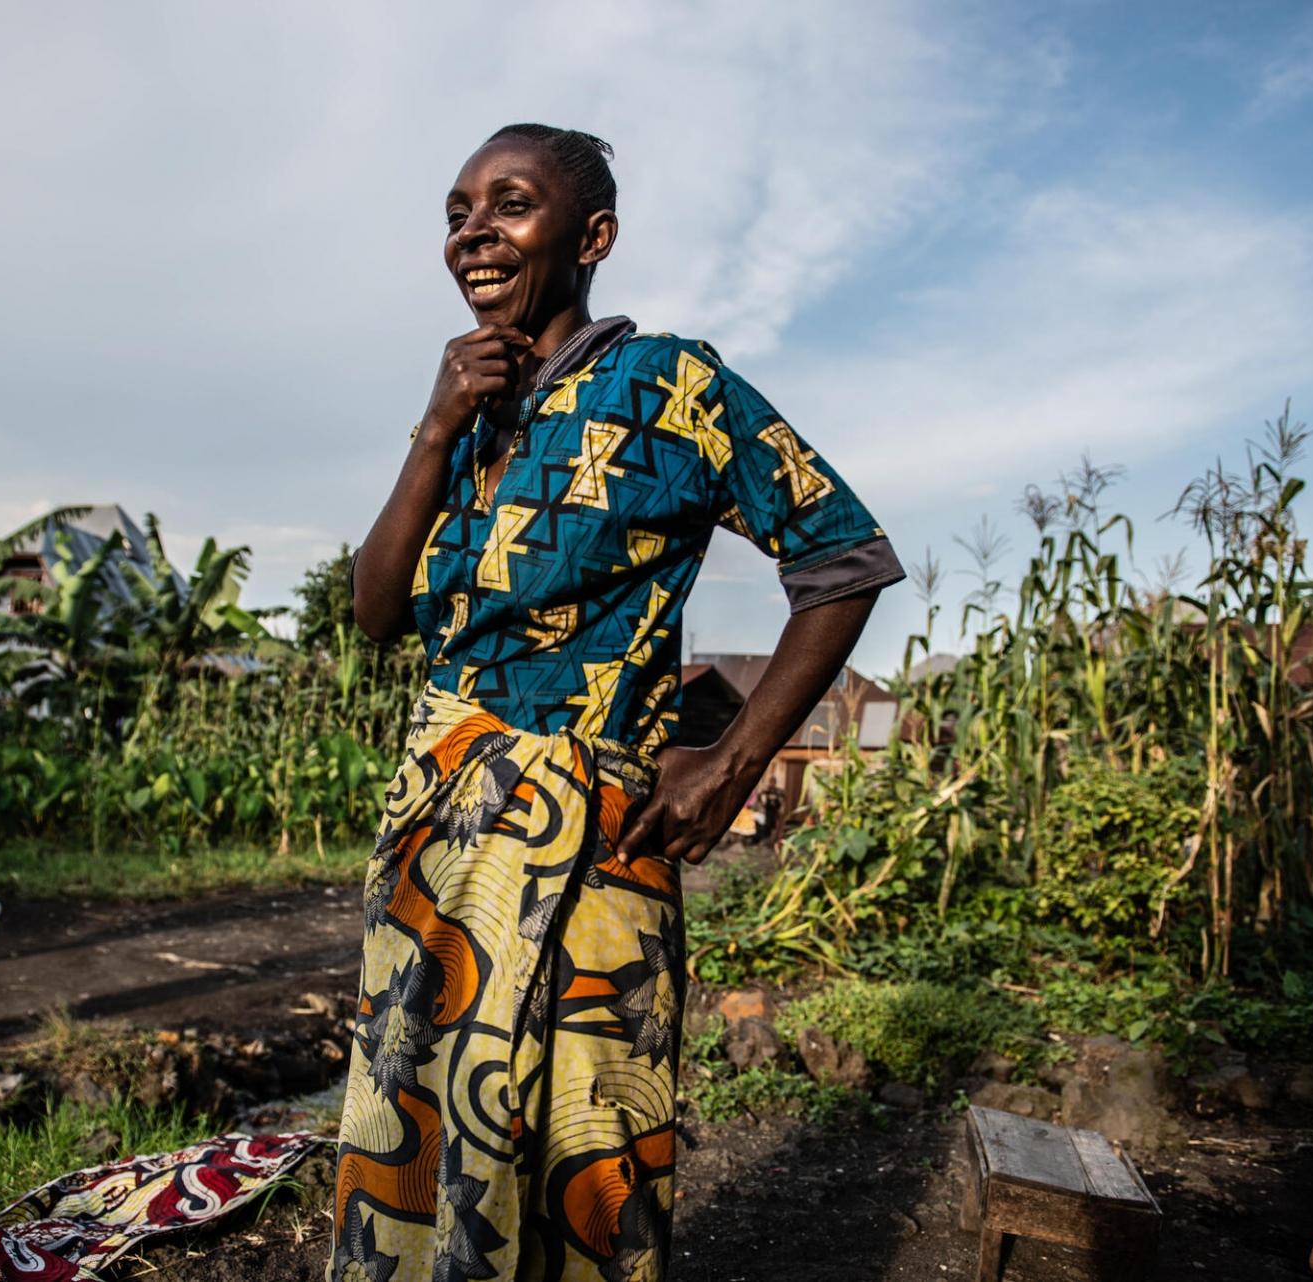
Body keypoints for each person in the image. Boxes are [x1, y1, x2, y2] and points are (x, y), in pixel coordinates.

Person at [330, 125, 903, 1282]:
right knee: (419, 1129)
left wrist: (732, 761)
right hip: (436, 849)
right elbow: (378, 612)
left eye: (510, 205)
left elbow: (843, 559)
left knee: (587, 1156)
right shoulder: (470, 408)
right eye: (457, 211)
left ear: (591, 238)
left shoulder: (669, 385)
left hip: (593, 838)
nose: (474, 233)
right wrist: (436, 425)